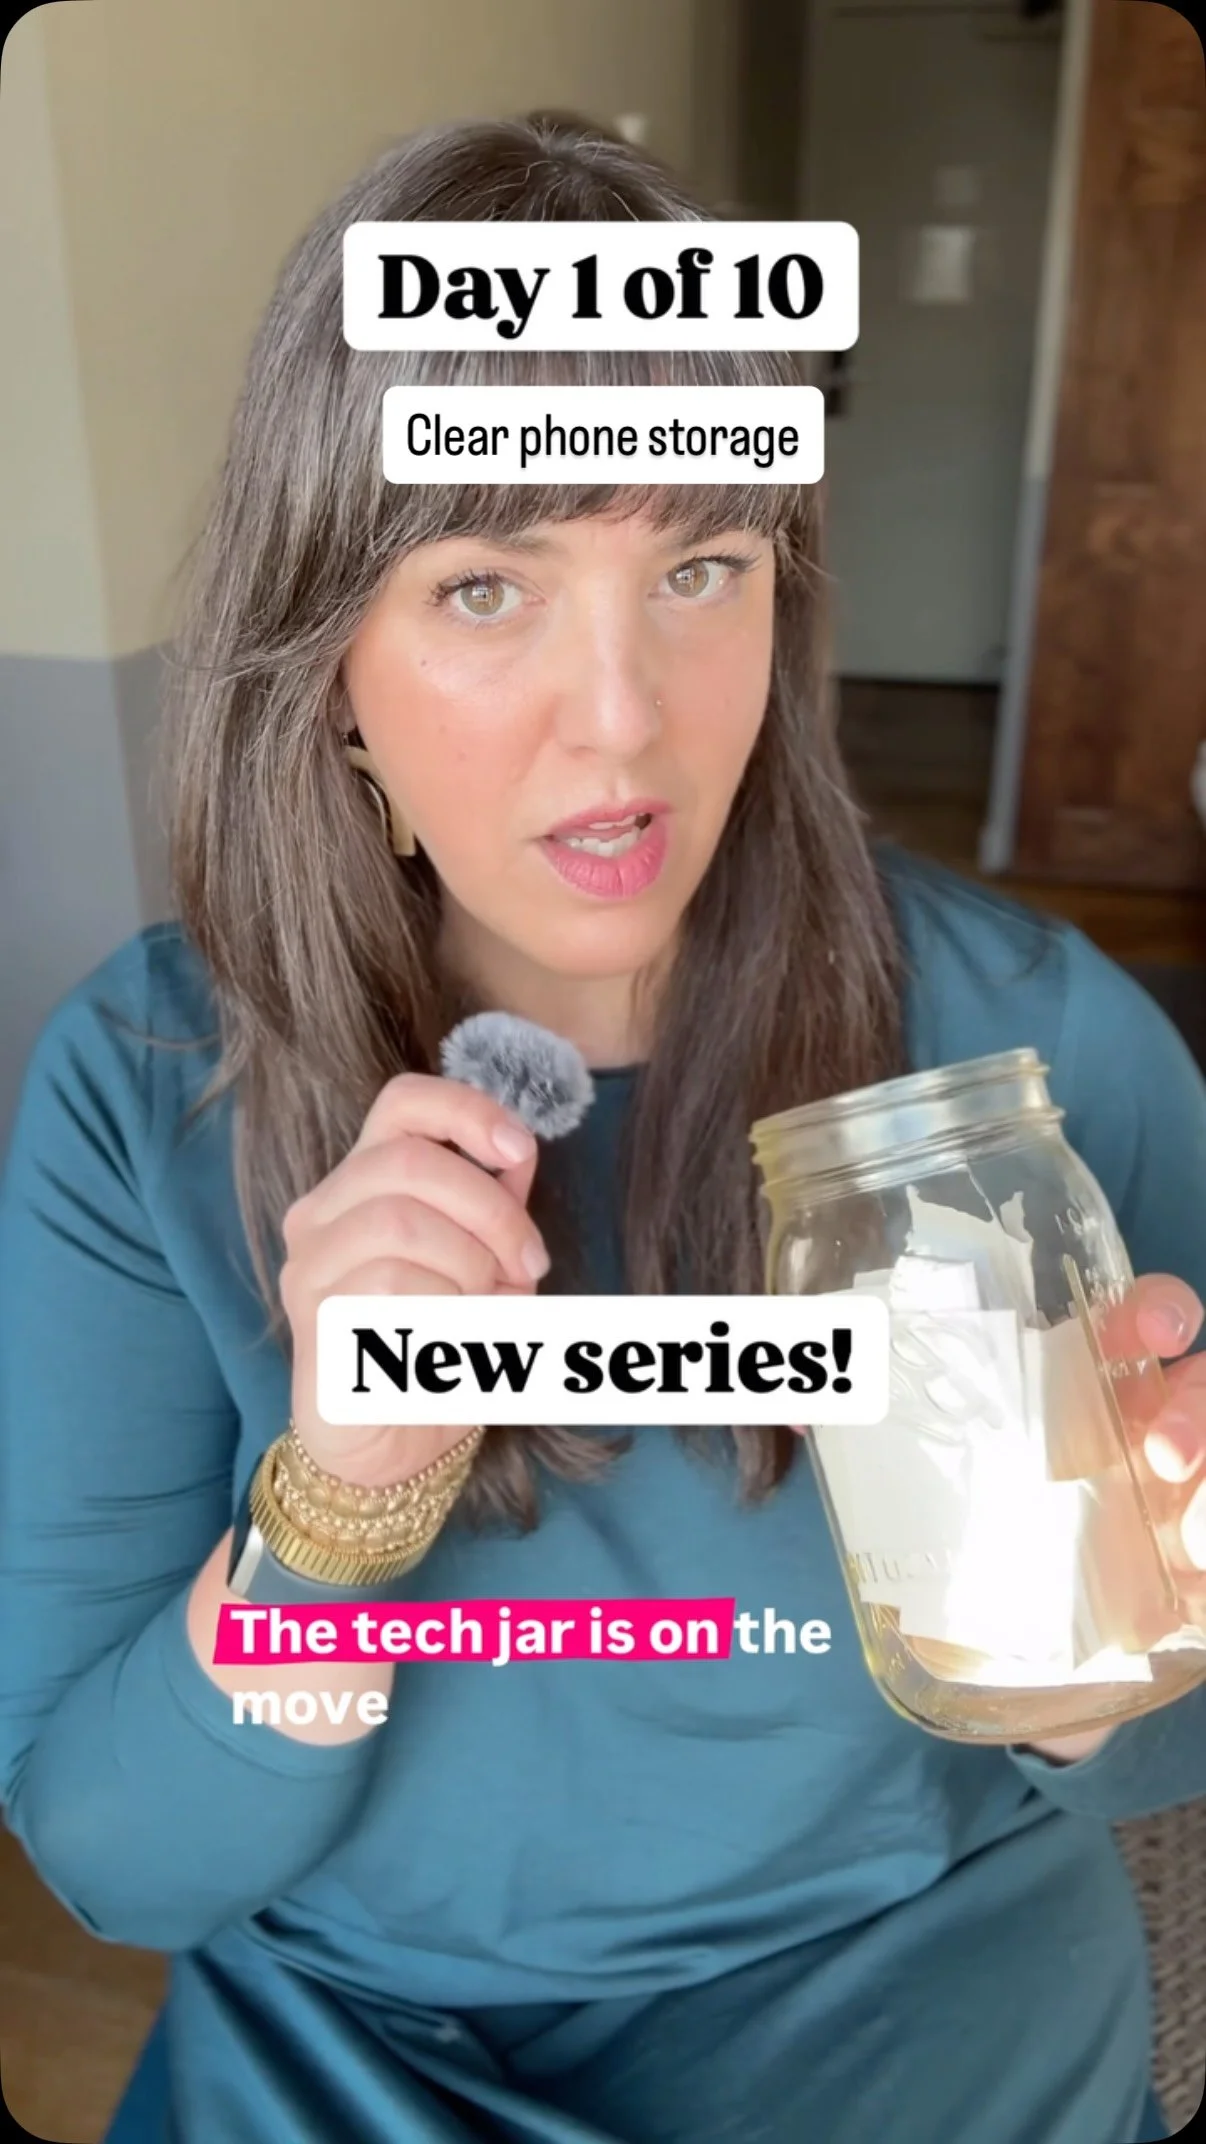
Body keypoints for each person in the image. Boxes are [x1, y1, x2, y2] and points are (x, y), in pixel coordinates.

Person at [0, 112, 1201, 2144]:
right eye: (487, 586)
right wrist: (336, 1506)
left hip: (927, 2016)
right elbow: (123, 1864)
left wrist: (1106, 1667)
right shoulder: (144, 1088)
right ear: (332, 667)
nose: (625, 716)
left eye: (700, 566)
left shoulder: (1036, 1051)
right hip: (354, 2048)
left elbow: (1169, 1751)